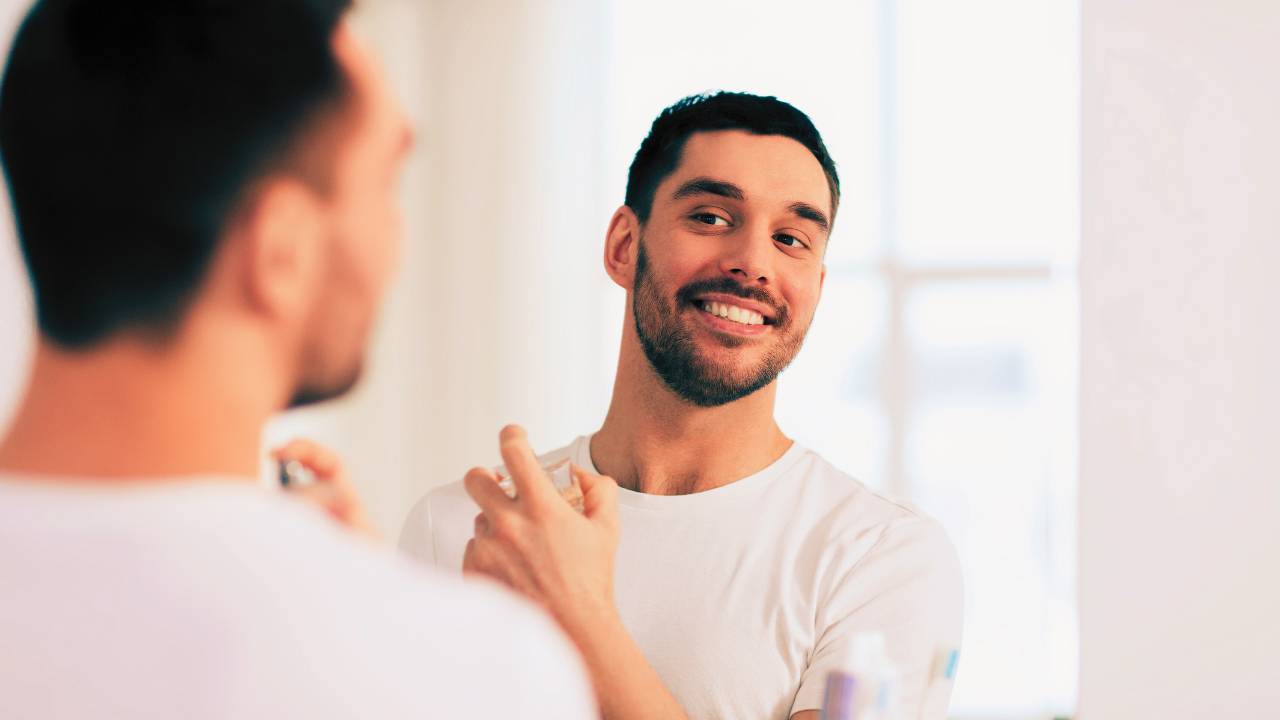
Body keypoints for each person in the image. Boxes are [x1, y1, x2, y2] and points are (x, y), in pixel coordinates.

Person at [0, 2, 593, 718]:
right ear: (280, 250)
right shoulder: (478, 673)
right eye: (383, 184)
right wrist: (392, 621)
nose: (395, 238)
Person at [400, 93, 965, 720]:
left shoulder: (881, 558)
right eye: (712, 218)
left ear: (817, 290)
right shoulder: (466, 529)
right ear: (623, 246)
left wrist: (579, 614)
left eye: (791, 238)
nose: (753, 262)